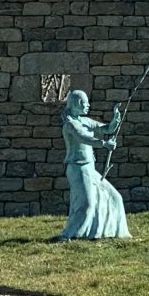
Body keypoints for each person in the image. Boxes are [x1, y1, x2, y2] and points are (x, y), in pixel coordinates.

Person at [59, 90, 131, 240]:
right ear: (77, 104)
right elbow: (83, 137)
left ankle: (111, 232)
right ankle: (71, 235)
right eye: (85, 103)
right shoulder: (70, 125)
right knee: (87, 204)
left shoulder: (86, 121)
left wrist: (116, 117)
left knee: (115, 197)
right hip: (77, 168)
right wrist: (104, 144)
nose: (88, 105)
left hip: (89, 168)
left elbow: (107, 129)